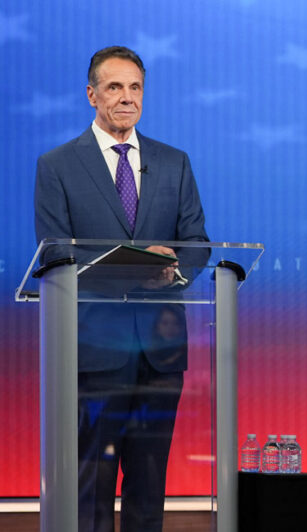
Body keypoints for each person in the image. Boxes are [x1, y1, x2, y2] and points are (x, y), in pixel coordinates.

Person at [34, 46, 210, 532]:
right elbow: (54, 252)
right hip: (94, 348)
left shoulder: (173, 162)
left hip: (160, 347)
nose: (126, 98)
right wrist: (129, 268)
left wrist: (172, 273)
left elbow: (196, 241)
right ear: (92, 95)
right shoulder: (58, 166)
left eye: (135, 88)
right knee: (92, 479)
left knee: (149, 478)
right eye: (114, 87)